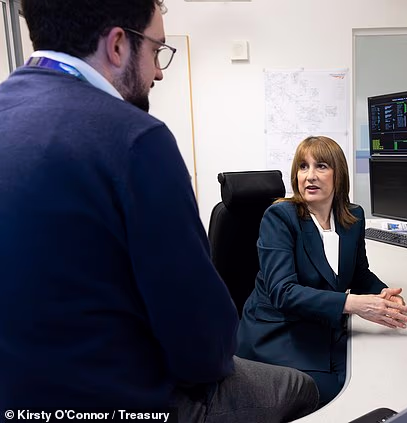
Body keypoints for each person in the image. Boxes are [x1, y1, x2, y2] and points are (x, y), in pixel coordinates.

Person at [0, 1, 318, 421]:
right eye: (156, 50)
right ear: (117, 45)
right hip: (114, 402)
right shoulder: (135, 139)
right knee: (300, 387)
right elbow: (204, 345)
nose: (159, 72)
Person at [237, 136, 407, 406]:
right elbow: (283, 292)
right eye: (303, 167)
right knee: (341, 394)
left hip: (323, 328)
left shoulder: (352, 217)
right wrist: (354, 304)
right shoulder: (280, 217)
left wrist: (384, 295)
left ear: (338, 174)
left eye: (321, 166)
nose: (310, 176)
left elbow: (358, 273)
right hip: (281, 335)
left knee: (379, 374)